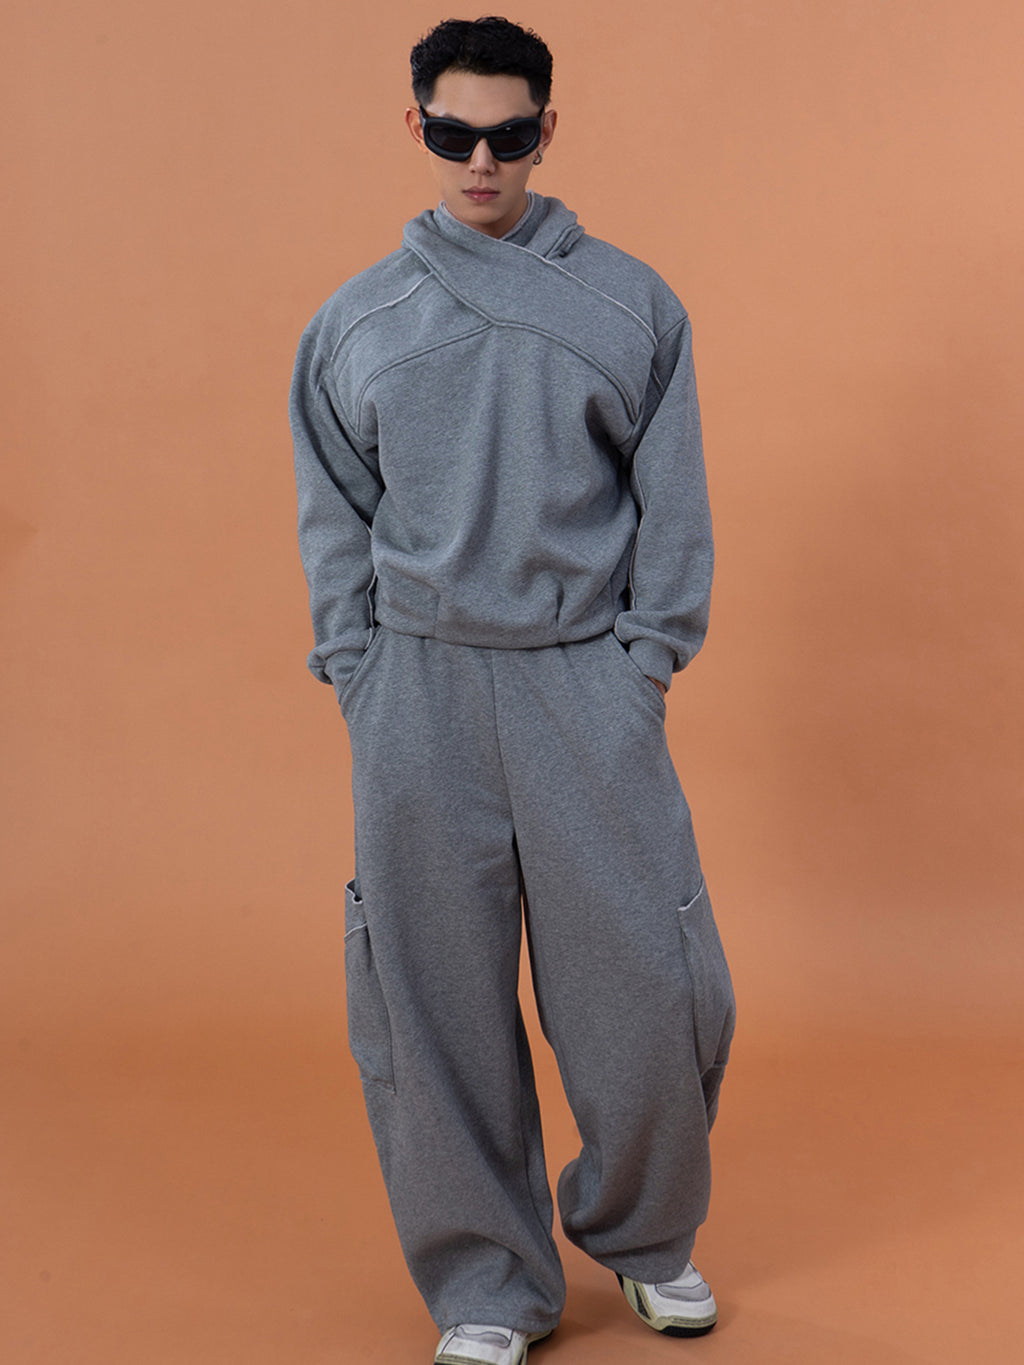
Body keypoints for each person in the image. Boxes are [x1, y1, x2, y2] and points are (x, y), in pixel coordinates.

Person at [289, 17, 735, 1365]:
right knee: (429, 999)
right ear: (415, 128)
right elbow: (332, 514)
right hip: (418, 688)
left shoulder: (632, 306)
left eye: (509, 134)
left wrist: (645, 660)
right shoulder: (356, 323)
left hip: (583, 678)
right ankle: (486, 1283)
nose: (480, 160)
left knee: (649, 980)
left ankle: (646, 1236)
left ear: (549, 130)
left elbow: (675, 503)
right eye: (453, 133)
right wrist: (361, 668)